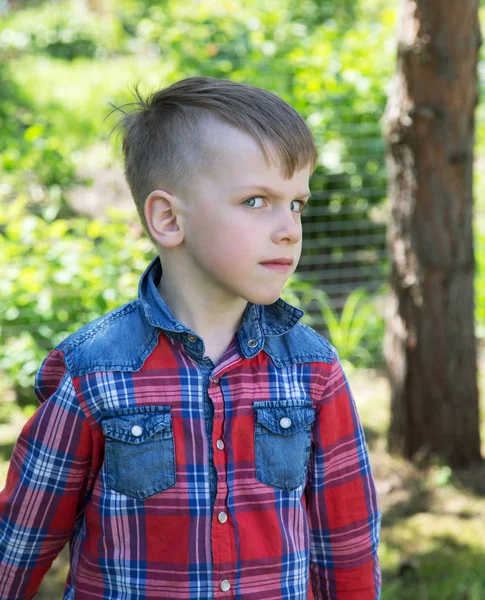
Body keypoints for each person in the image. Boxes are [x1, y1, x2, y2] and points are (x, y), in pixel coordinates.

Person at [0, 76, 381, 599]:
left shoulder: (314, 371)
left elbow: (348, 542)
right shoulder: (95, 373)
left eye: (297, 203)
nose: (289, 228)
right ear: (168, 218)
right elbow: (19, 544)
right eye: (256, 201)